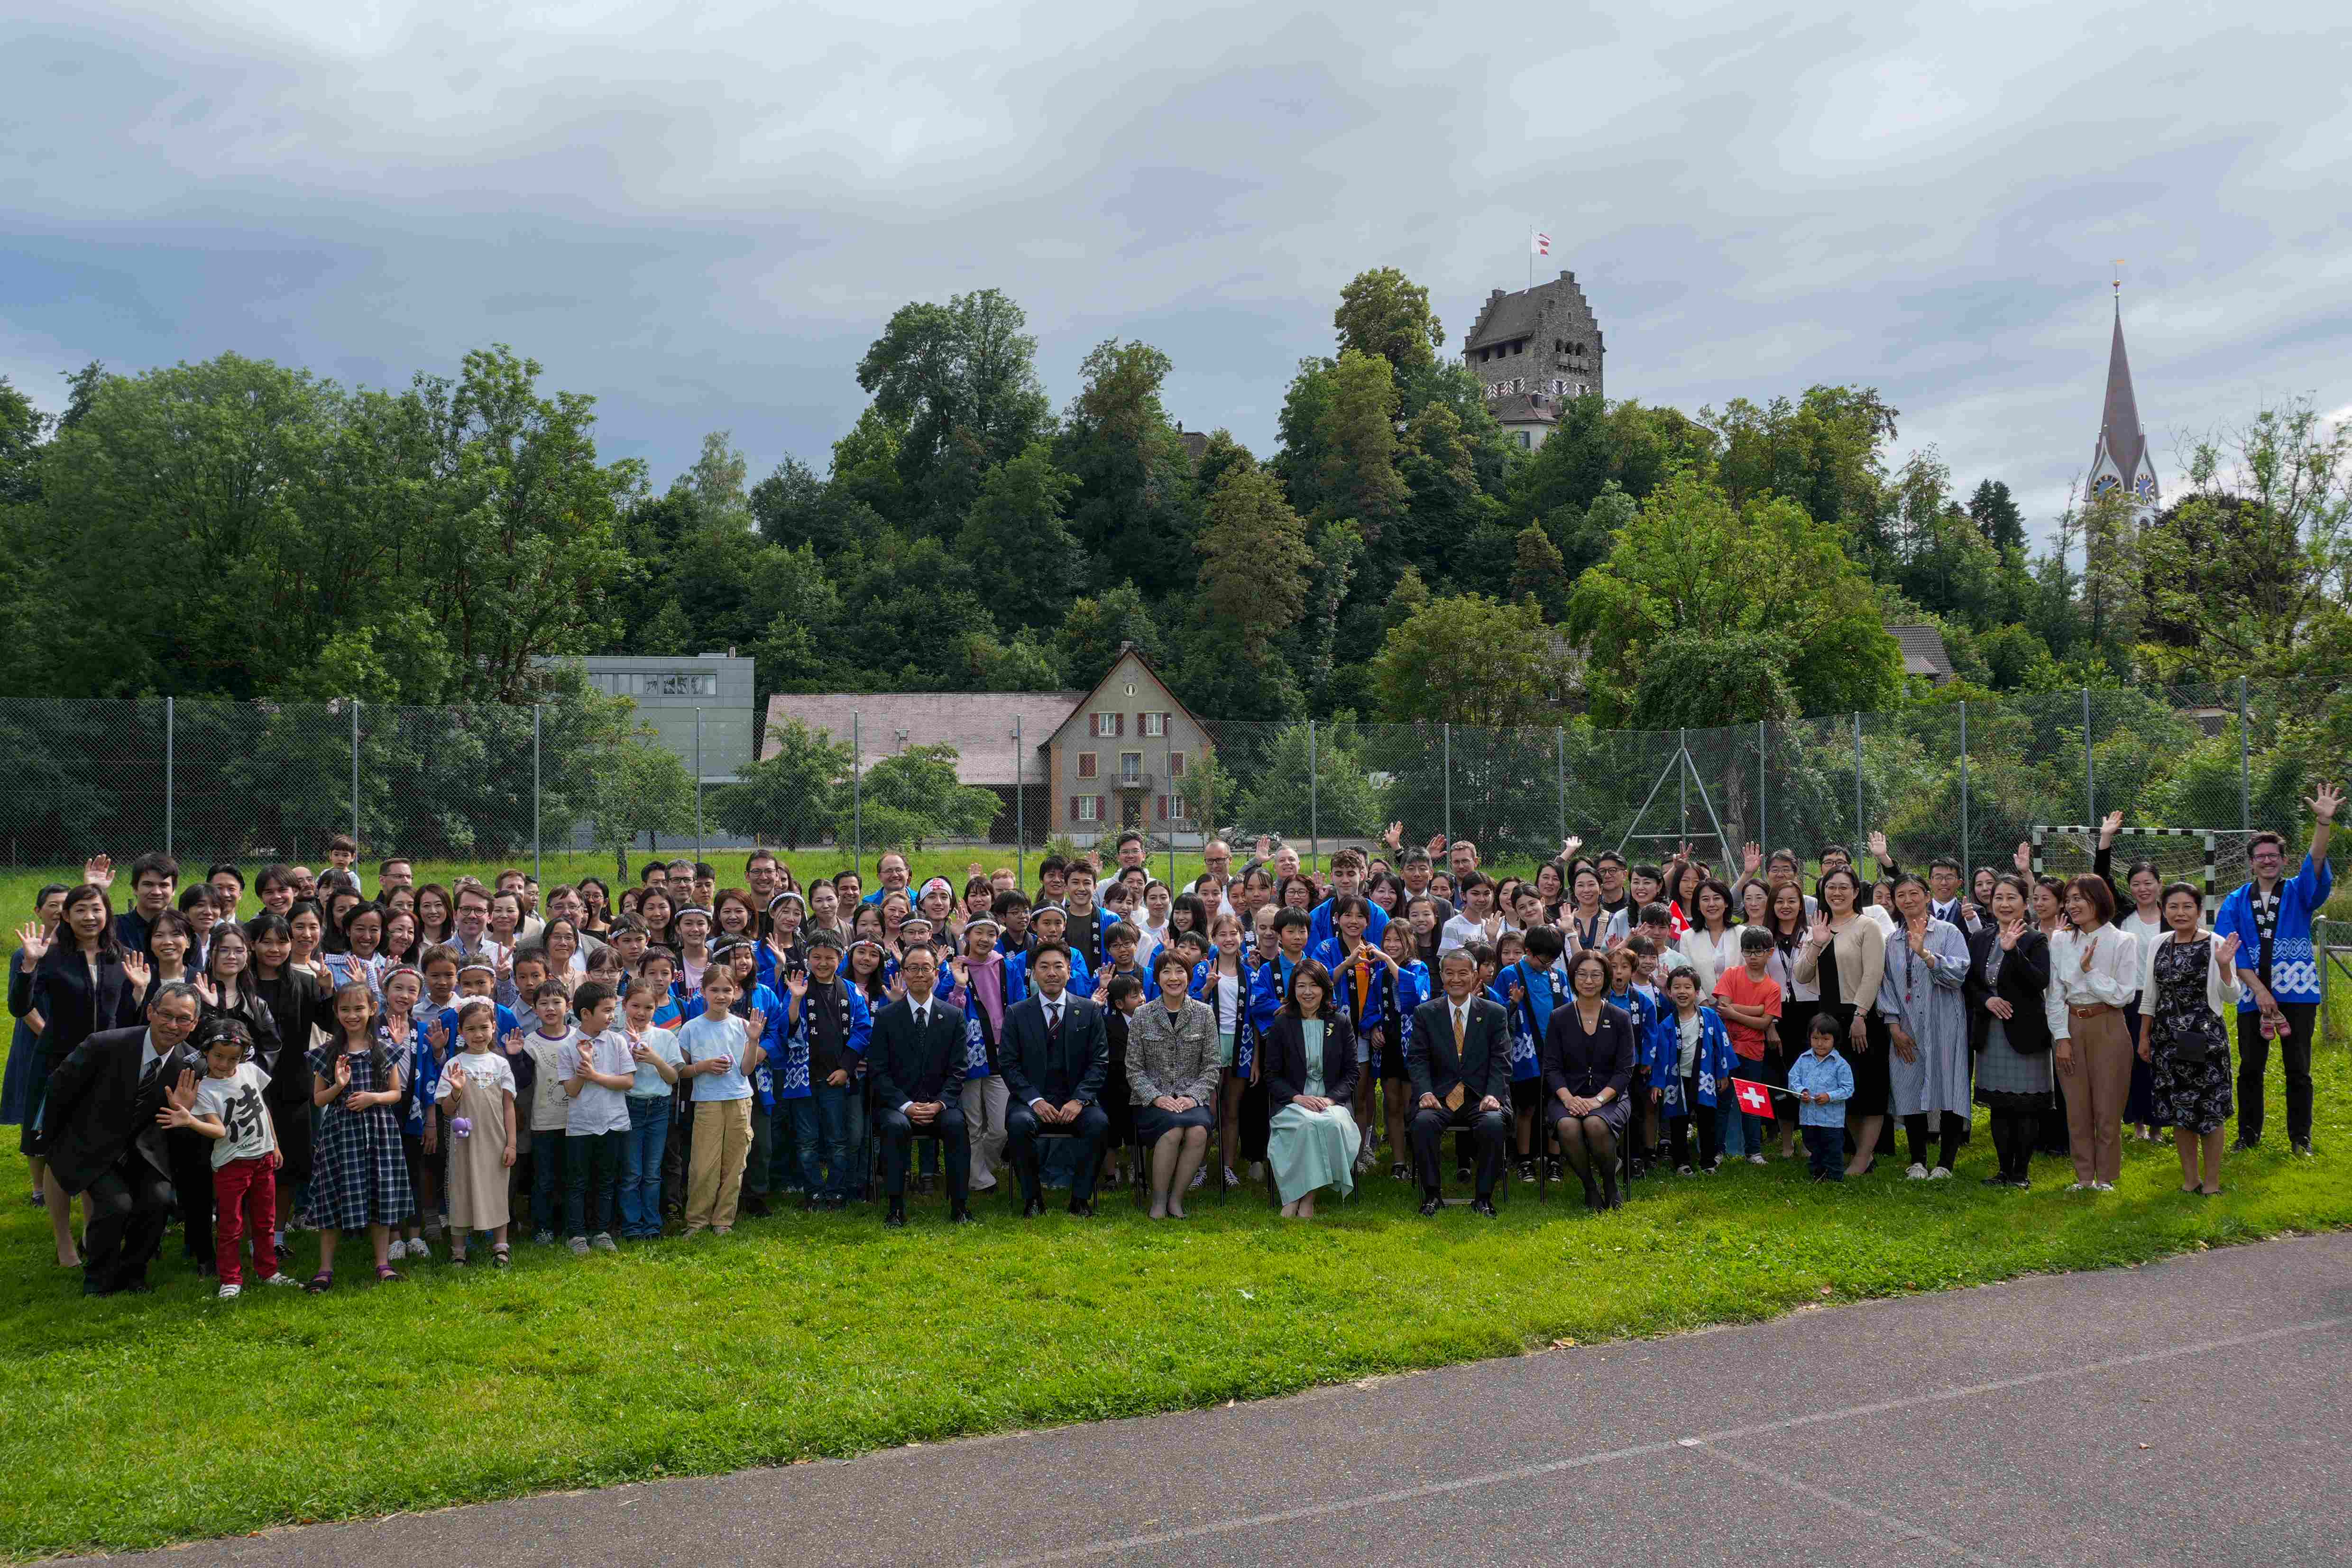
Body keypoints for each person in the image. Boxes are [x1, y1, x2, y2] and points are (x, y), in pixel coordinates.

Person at [41, 980, 204, 1295]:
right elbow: (59, 1089)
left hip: (145, 1152)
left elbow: (182, 1136)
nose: (173, 1025)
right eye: (166, 1015)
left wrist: (183, 1114)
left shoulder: (192, 1064)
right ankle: (99, 1281)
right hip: (93, 1145)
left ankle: (133, 1275)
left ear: (194, 1023)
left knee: (158, 1202)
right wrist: (55, 1141)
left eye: (184, 1018)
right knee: (116, 1205)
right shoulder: (104, 1045)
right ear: (151, 1012)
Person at [20, 884, 146, 1270]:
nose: (90, 917)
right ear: (67, 916)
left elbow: (129, 1022)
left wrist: (140, 994)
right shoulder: (52, 957)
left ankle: (94, 1234)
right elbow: (18, 1006)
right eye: (81, 910)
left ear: (107, 913)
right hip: (57, 1066)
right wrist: (28, 967)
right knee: (60, 1157)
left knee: (96, 1152)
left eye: (97, 909)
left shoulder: (120, 957)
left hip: (104, 1068)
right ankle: (64, 1245)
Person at [2214, 783, 2338, 1156]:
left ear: (2284, 860)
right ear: (2251, 861)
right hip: (2253, 995)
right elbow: (2231, 950)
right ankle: (2248, 1135)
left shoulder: (2300, 891)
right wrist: (2262, 991)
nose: (2267, 861)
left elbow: (2316, 862)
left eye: (2274, 856)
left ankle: (2301, 1139)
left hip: (2298, 992)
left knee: (2298, 1068)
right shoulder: (2236, 900)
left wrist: (2323, 823)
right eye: (2260, 856)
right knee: (2250, 1068)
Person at [163, 1015, 296, 1298]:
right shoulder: (205, 1089)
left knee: (264, 1221)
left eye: (232, 1058)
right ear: (206, 1053)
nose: (224, 1064)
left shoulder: (250, 1072)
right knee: (230, 1225)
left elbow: (262, 1108)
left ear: (243, 1056)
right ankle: (230, 1279)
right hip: (231, 1164)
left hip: (263, 1160)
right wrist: (189, 1121)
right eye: (218, 1056)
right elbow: (218, 1130)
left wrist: (274, 1144)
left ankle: (269, 1271)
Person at [306, 980, 415, 1291]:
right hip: (340, 1133)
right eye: (345, 1009)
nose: (352, 1015)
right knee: (333, 1195)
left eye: (359, 1008)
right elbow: (318, 1099)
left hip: (378, 1131)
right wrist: (339, 1086)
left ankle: (382, 1263)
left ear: (372, 1010)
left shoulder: (384, 1050)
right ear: (337, 1012)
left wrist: (372, 1098)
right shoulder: (329, 1052)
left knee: (379, 1193)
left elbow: (395, 1093)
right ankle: (325, 1267)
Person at [2141, 884, 2243, 1197]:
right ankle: (2190, 1180)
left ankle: (2212, 1183)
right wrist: (2144, 1035)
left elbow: (2233, 995)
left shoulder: (2217, 944)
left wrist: (2225, 966)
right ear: (2164, 909)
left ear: (2200, 910)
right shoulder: (2159, 943)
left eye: (2188, 906)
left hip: (2206, 1040)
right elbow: (2149, 994)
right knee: (2179, 1110)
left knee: (2210, 1109)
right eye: (2173, 906)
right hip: (2168, 1039)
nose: (2180, 912)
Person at [2045, 874, 2142, 1193]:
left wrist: (2090, 972)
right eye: (2069, 898)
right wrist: (2062, 1038)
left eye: (2079, 898)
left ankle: (2106, 1177)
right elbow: (2055, 993)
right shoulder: (2060, 941)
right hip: (2072, 1024)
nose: (2071, 905)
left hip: (2109, 1025)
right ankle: (2084, 1176)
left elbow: (2123, 995)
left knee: (2107, 1106)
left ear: (2099, 900)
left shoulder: (2123, 941)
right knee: (2077, 1106)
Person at [869, 944, 975, 1227]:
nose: (919, 974)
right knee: (894, 1127)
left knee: (956, 1125)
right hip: (900, 1104)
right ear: (903, 973)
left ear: (936, 973)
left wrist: (940, 1103)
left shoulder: (953, 1017)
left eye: (926, 968)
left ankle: (960, 1206)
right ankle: (895, 1208)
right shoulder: (886, 1017)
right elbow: (878, 1072)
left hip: (940, 1103)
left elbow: (959, 1070)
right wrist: (906, 1106)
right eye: (912, 968)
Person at [1793, 867, 1888, 1178]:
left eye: (1843, 887)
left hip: (1860, 1016)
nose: (1837, 893)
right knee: (1840, 1087)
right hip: (1829, 1020)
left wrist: (1861, 1015)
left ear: (1855, 892)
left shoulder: (1867, 926)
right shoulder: (1819, 927)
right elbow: (1802, 976)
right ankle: (1864, 1153)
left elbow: (1873, 974)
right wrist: (1816, 943)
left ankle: (1862, 1158)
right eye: (1830, 887)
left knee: (1869, 1090)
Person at [1881, 874, 1972, 1180]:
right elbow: (1888, 985)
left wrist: (1925, 953)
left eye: (1914, 893)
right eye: (1901, 895)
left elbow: (1958, 975)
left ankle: (1946, 1163)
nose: (1908, 900)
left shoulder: (1948, 932)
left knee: (1950, 1088)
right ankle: (1918, 1160)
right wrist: (1894, 1027)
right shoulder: (1892, 941)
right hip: (1907, 1025)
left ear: (1926, 895)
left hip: (1944, 1022)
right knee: (1908, 1087)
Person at [1965, 875, 2053, 1189]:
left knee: (2025, 1105)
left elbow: (2040, 981)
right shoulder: (1980, 938)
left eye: (2011, 897)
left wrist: (2013, 951)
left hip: (2025, 1033)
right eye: (1999, 897)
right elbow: (1971, 982)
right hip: (1991, 1033)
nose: (2004, 903)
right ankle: (2003, 1170)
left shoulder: (2035, 940)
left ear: (2025, 903)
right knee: (2000, 1106)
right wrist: (1987, 1000)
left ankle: (2021, 1173)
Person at [1406, 948, 1508, 1215]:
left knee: (1493, 1123)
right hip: (1440, 1096)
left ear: (1475, 976)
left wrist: (1494, 1094)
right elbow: (1417, 1059)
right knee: (1423, 1122)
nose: (1456, 979)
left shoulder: (1495, 1013)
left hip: (1480, 1096)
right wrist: (1424, 1092)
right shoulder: (1425, 1013)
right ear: (1441, 976)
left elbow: (1501, 1060)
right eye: (1449, 973)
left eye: (1463, 973)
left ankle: (1484, 1197)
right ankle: (1432, 1195)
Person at [1260, 960, 1360, 1217]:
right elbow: (1272, 1075)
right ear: (1293, 990)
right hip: (1293, 1102)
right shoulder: (1282, 1025)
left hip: (1330, 1103)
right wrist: (1297, 1098)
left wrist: (1330, 1100)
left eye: (1314, 986)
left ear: (1325, 990)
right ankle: (1297, 1197)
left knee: (1329, 1123)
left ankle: (1305, 1199)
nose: (1307, 992)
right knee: (1306, 1124)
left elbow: (1352, 1073)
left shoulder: (1340, 1023)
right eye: (1301, 986)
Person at [1540, 949, 1635, 1212]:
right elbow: (1552, 1067)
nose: (1589, 981)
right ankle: (1590, 1187)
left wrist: (1597, 1101)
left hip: (1610, 1096)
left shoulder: (1620, 1018)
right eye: (1582, 975)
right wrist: (1569, 1099)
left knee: (1595, 1124)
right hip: (1567, 1095)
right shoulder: (1559, 1017)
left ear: (1605, 978)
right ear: (1573, 978)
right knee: (1569, 1126)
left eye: (1596, 975)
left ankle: (1610, 1183)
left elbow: (1625, 1071)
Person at [1126, 950, 1219, 1220]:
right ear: (1157, 978)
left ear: (1189, 978)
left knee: (1198, 1132)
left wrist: (1193, 1097)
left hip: (1192, 1097)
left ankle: (1176, 1199)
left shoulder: (1204, 1014)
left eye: (1180, 971)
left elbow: (1213, 1066)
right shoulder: (1143, 1015)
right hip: (1154, 1100)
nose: (1174, 978)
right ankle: (1158, 1200)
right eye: (1167, 972)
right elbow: (1133, 1068)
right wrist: (1156, 1097)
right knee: (1173, 1131)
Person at [676, 965, 765, 1236]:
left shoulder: (741, 1026)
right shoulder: (692, 1028)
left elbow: (747, 1070)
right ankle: (697, 1220)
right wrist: (703, 1067)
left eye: (727, 990)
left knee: (735, 1163)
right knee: (704, 1164)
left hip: (739, 1101)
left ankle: (723, 1220)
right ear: (703, 992)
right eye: (714, 990)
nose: (721, 996)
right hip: (707, 1103)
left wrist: (753, 1040)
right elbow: (681, 1071)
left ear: (736, 993)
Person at [435, 996, 519, 1266]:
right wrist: (457, 1091)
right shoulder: (454, 1065)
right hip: (464, 1142)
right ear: (460, 1032)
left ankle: (501, 1247)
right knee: (460, 1188)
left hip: (496, 1140)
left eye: (484, 1027)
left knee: (497, 1188)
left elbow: (509, 1107)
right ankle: (458, 1251)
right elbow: (447, 1110)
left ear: (494, 1027)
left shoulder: (501, 1064)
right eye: (470, 1029)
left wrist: (512, 1144)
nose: (478, 1034)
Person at [558, 981, 631, 1255]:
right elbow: (572, 1090)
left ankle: (602, 1231)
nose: (612, 1017)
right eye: (607, 1011)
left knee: (606, 1179)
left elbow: (628, 1082)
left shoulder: (617, 1041)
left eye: (613, 1010)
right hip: (582, 1125)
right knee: (577, 1181)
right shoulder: (568, 1046)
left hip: (614, 1122)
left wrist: (596, 1076)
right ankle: (576, 1234)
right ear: (586, 1014)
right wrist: (583, 1067)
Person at [1711, 926, 1783, 1164]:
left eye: (1759, 952)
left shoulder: (1772, 987)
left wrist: (1736, 1011)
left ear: (1769, 953)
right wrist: (1757, 1010)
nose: (1753, 957)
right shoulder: (1732, 974)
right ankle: (1717, 1151)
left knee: (1752, 1101)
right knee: (1722, 1101)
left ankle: (1754, 1151)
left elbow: (1764, 1024)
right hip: (1727, 1049)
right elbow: (1722, 1009)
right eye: (1748, 952)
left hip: (1753, 1052)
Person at [1787, 1014, 1857, 1181]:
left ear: (1834, 1040)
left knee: (1832, 1149)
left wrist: (1829, 1096)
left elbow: (1848, 1089)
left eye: (1825, 1039)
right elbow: (1793, 1080)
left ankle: (1834, 1177)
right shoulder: (1803, 1060)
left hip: (1832, 1121)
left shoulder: (1840, 1064)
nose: (1820, 1043)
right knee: (1813, 1147)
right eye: (1815, 1038)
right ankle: (1817, 1175)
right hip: (1808, 1118)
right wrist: (1801, 1092)